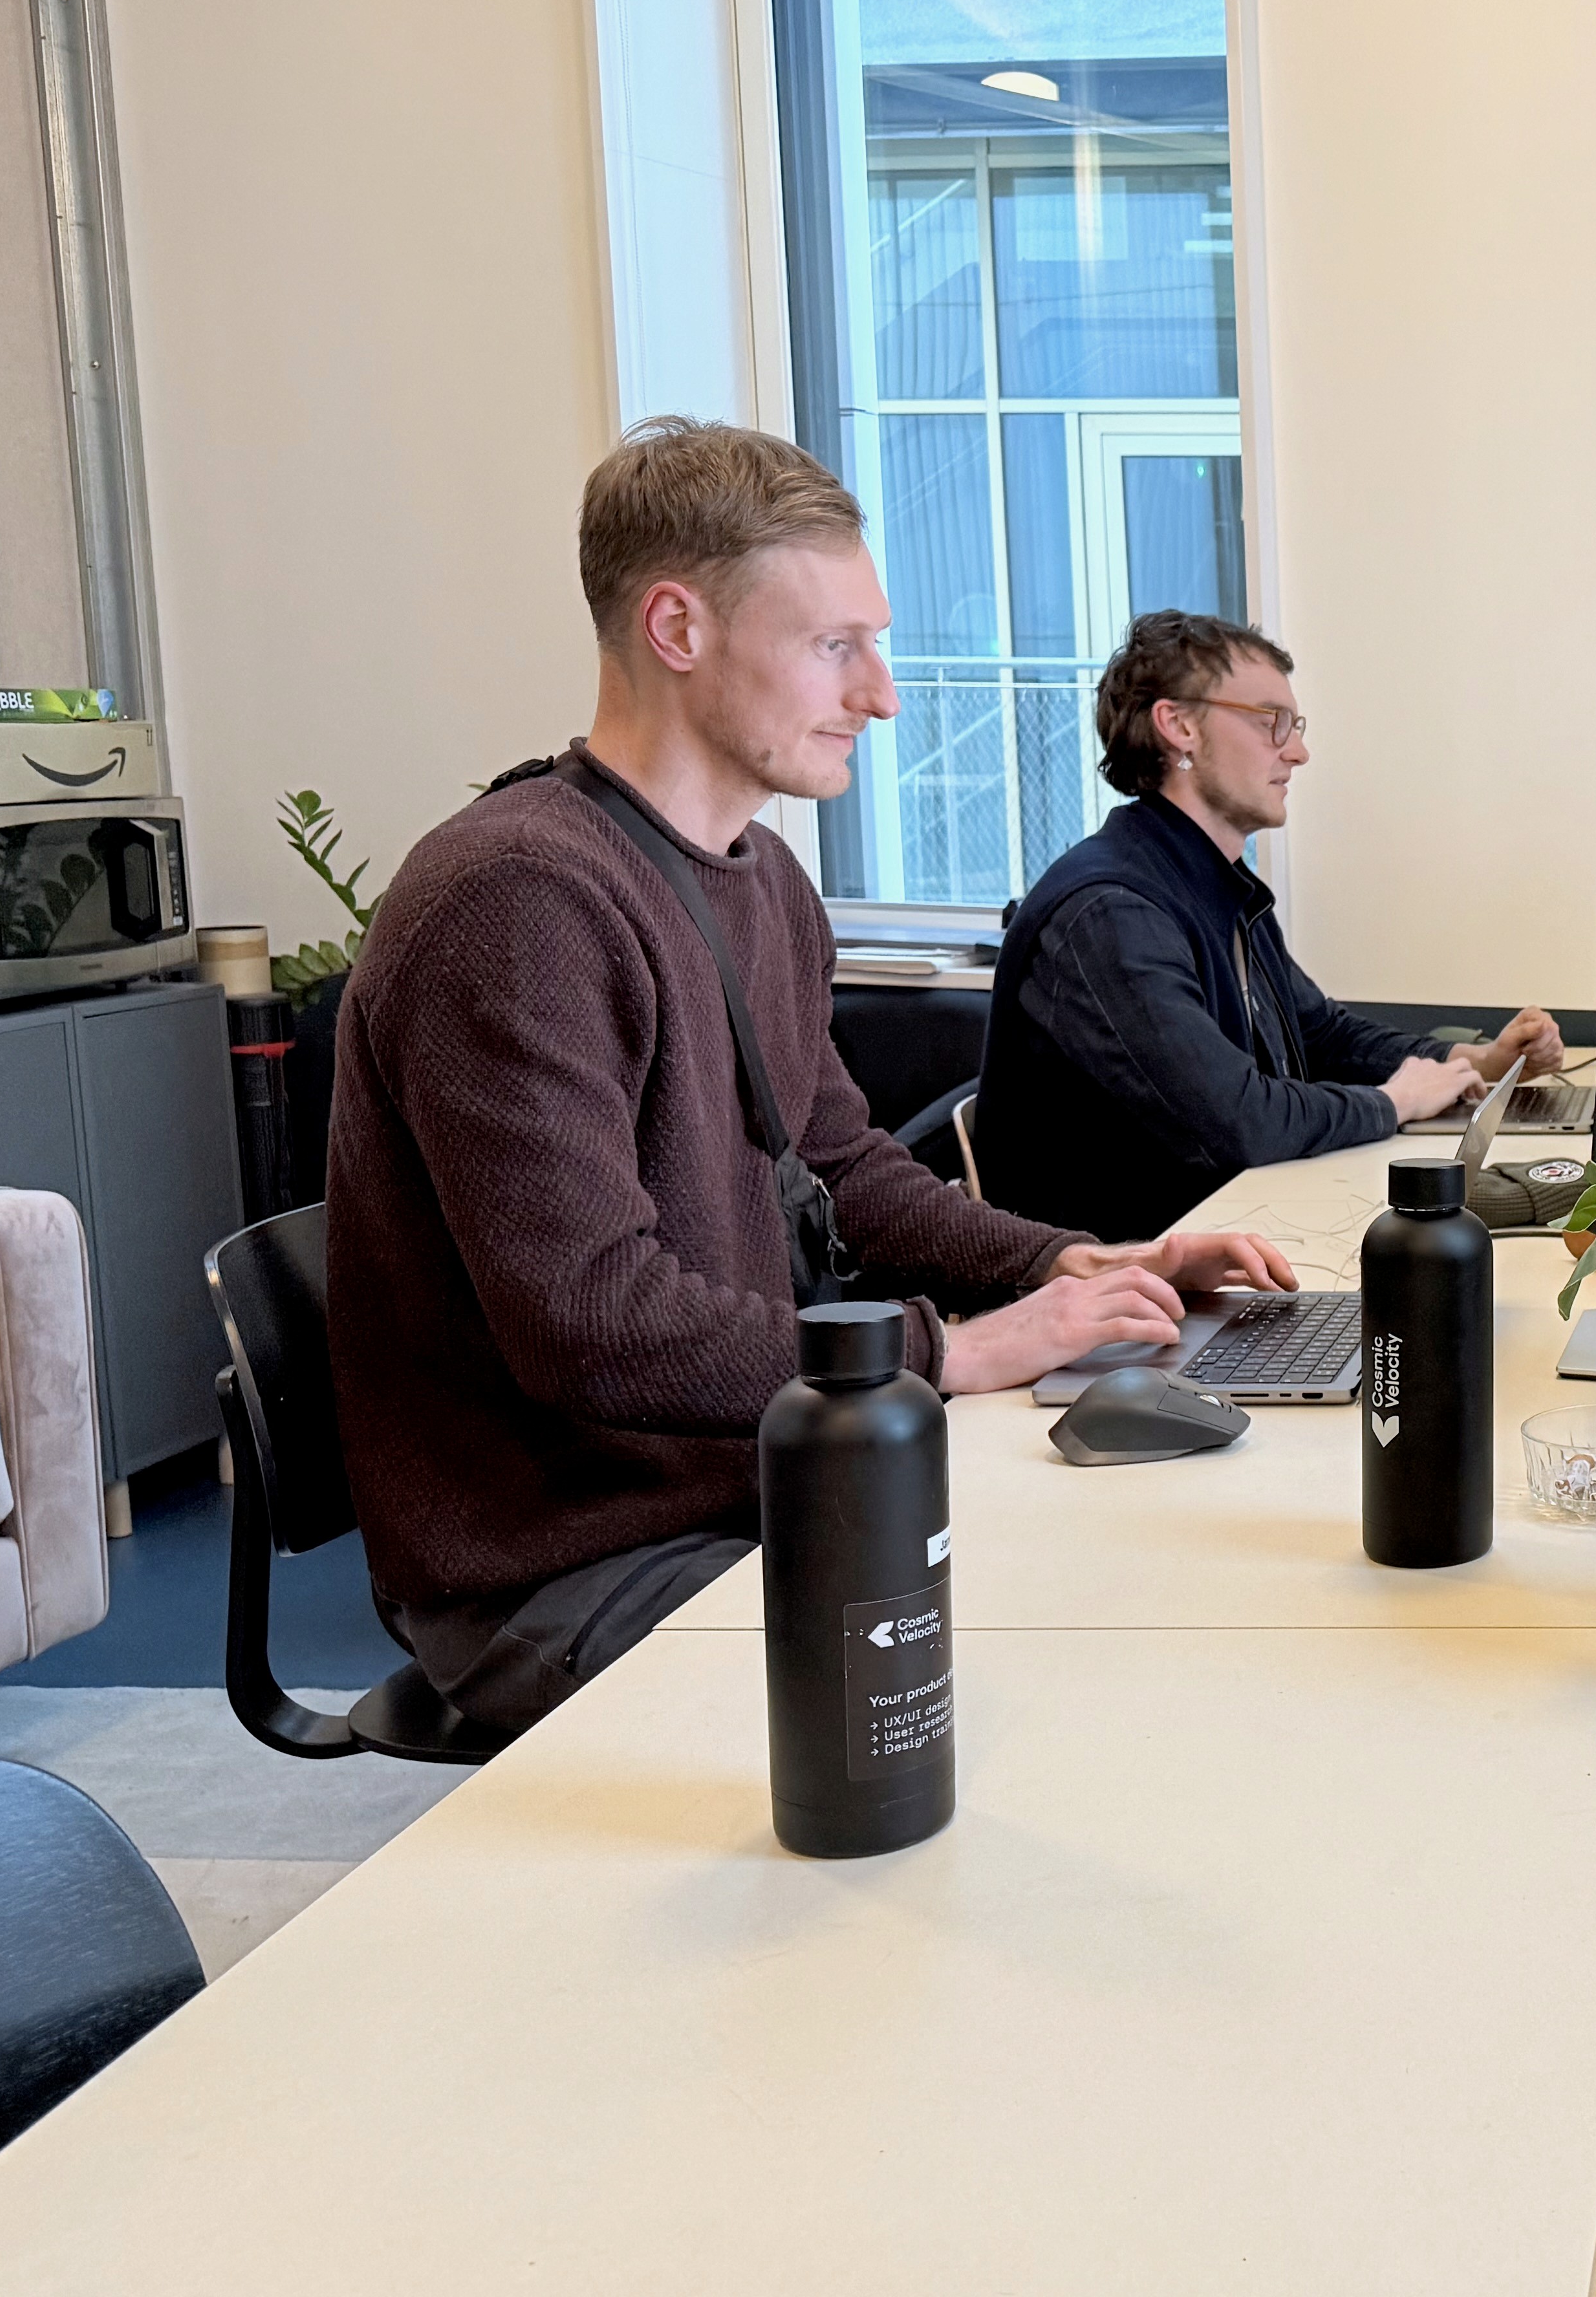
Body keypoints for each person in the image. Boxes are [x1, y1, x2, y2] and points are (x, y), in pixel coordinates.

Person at [327, 420, 1295, 1731]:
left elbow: (842, 1165)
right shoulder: (517, 903)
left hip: (754, 1481)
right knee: (1045, 1711)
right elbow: (592, 1319)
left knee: (1146, 1612)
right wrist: (948, 1353)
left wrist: (1064, 1264)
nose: (882, 693)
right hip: (573, 1562)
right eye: (836, 647)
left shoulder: (762, 880)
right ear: (679, 627)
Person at [976, 609, 1567, 1240]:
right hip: (1123, 1290)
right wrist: (1394, 1103)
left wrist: (1470, 1060)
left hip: (1219, 1236)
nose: (1298, 750)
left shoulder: (1213, 883)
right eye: (1270, 722)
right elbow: (1238, 1122)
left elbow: (1320, 1034)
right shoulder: (1112, 913)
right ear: (1178, 726)